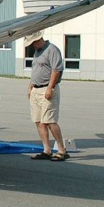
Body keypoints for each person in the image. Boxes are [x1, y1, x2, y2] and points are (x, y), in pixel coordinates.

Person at [25, 31, 68, 161]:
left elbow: (56, 70)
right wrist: (31, 85)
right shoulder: (37, 52)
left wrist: (49, 88)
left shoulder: (52, 50)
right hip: (36, 89)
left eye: (32, 43)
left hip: (47, 89)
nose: (32, 46)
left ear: (38, 40)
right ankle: (46, 149)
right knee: (38, 121)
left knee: (49, 121)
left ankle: (61, 149)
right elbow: (37, 70)